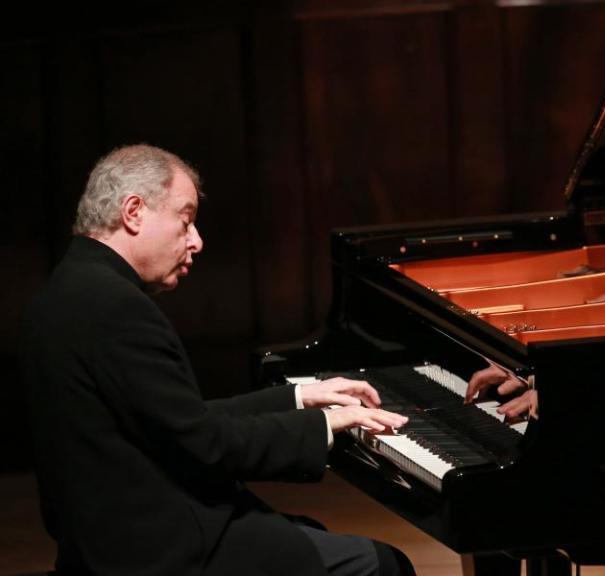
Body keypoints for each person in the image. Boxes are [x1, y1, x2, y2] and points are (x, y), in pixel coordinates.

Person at [19, 144, 414, 576]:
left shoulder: (64, 292)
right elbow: (205, 446)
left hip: (107, 543)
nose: (196, 241)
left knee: (309, 535)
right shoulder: (116, 307)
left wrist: (300, 397)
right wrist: (324, 425)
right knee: (383, 565)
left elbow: (177, 422)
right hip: (162, 552)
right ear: (133, 212)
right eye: (185, 220)